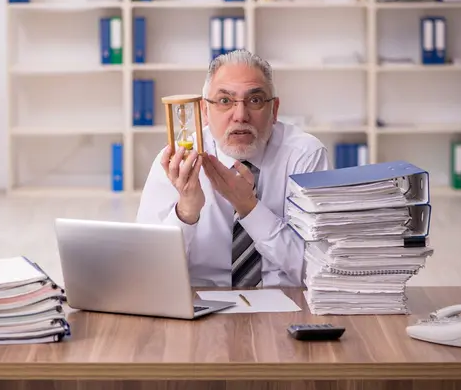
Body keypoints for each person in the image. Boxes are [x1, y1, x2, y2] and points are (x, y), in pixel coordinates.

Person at [136, 50, 330, 287]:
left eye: (255, 100)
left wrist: (249, 208)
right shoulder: (177, 162)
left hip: (287, 304)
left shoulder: (305, 155)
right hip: (201, 305)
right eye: (225, 101)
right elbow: (147, 273)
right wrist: (186, 211)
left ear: (274, 110)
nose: (240, 116)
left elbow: (320, 270)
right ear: (205, 112)